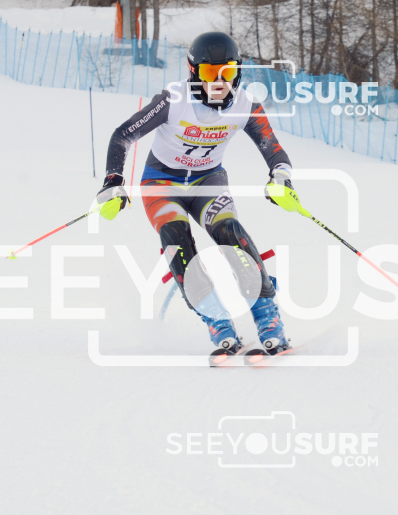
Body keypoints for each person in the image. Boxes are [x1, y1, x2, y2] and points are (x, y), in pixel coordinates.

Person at [95, 31, 301, 355]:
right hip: (162, 183)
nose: (219, 81)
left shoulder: (245, 105)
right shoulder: (174, 100)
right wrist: (113, 181)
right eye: (209, 72)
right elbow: (122, 135)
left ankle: (267, 318)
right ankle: (218, 322)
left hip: (208, 180)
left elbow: (273, 149)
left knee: (229, 232)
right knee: (176, 238)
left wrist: (282, 177)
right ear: (194, 72)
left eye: (227, 72)